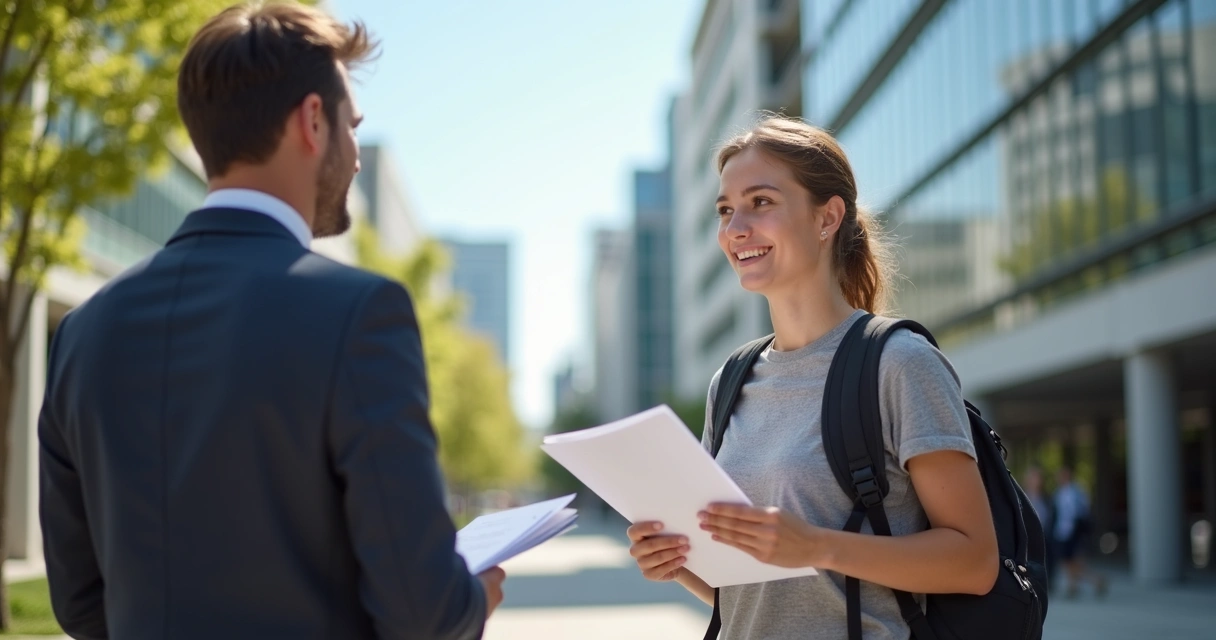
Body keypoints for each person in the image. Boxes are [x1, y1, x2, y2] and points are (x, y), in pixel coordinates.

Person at [37, 4, 502, 639]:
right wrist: (471, 598)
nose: (356, 154)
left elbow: (80, 605)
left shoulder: (82, 332)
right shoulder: (361, 314)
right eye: (351, 125)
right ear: (313, 120)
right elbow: (422, 615)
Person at [626, 116, 998, 639]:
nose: (735, 229)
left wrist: (816, 546)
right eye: (727, 210)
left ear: (827, 218)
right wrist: (677, 561)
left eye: (761, 202)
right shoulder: (730, 381)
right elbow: (748, 592)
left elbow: (976, 562)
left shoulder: (900, 363)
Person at [1053, 466, 1107, 598]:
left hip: (1073, 532)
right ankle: (1076, 586)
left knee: (1072, 561)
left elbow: (1082, 512)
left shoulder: (1075, 492)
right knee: (1067, 561)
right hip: (1062, 532)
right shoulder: (1059, 493)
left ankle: (1093, 581)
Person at [1023, 466, 1057, 585]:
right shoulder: (1020, 496)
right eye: (1032, 477)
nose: (1034, 480)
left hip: (1044, 536)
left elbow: (1051, 516)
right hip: (1026, 536)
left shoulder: (1047, 498)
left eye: (1037, 477)